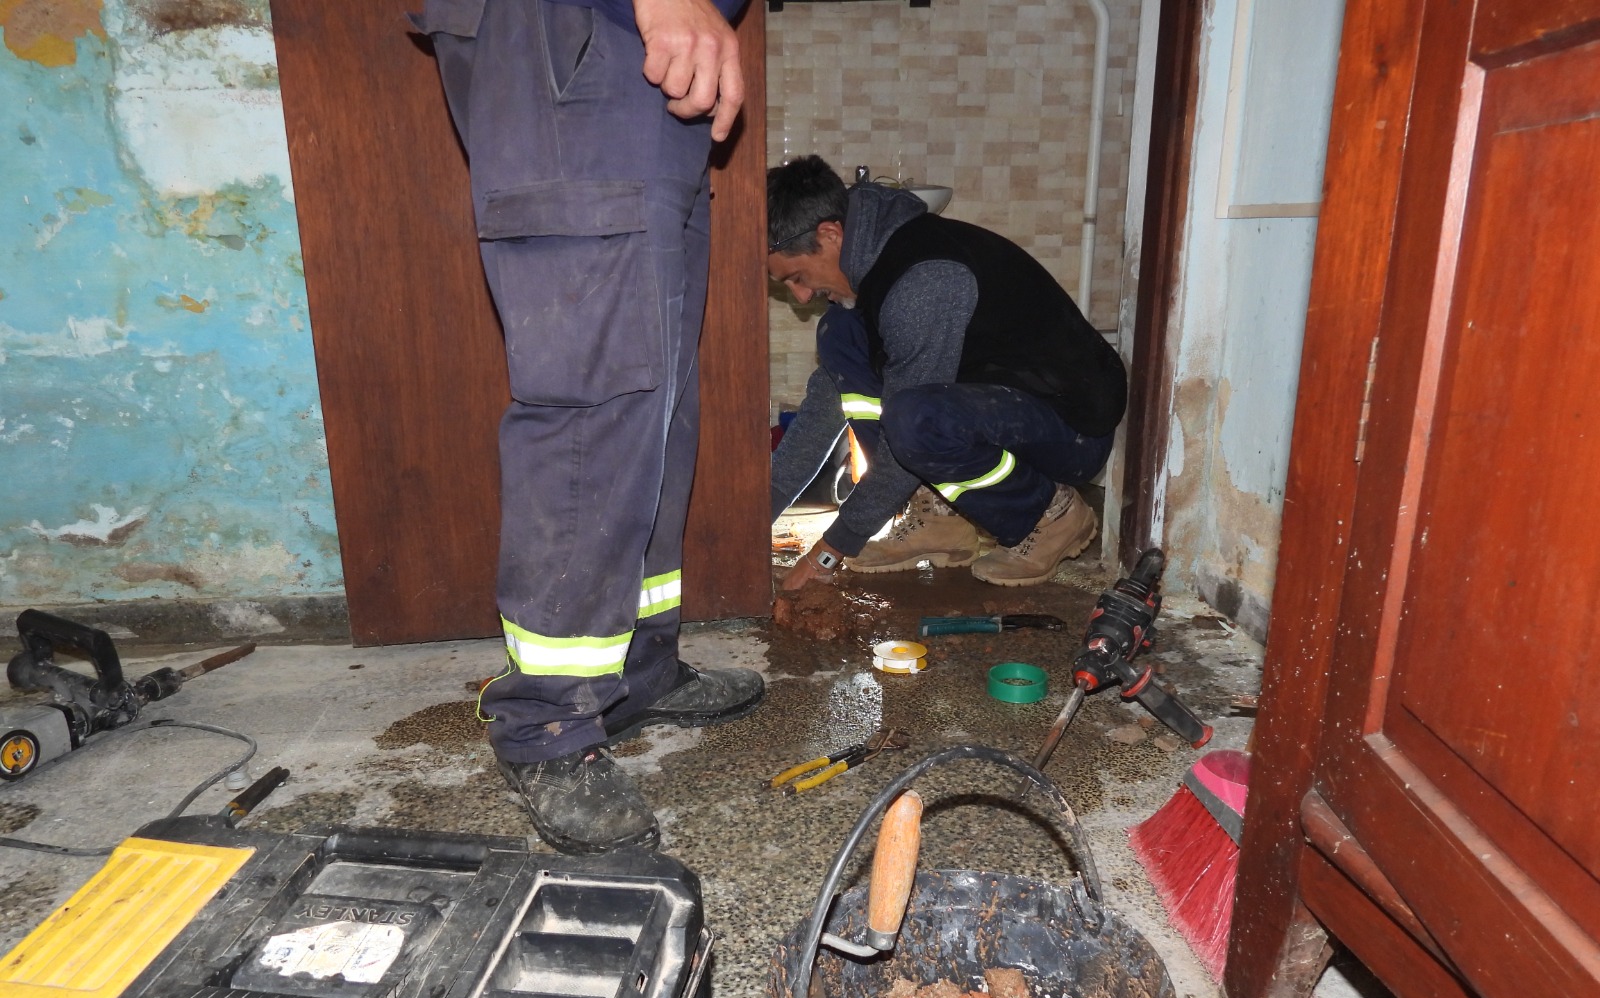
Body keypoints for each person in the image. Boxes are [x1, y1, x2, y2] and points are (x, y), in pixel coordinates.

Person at [412, 0, 763, 854]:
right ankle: (547, 719)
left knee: (658, 403)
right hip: (573, 32)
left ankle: (637, 671)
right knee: (596, 390)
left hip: (627, 59)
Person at [768, 156, 1127, 591]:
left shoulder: (922, 282)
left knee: (915, 422)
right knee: (840, 335)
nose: (801, 295)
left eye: (798, 276)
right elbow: (819, 418)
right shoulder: (866, 285)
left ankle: (1048, 513)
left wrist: (830, 550)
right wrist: (746, 524)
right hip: (994, 407)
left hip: (1070, 426)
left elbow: (906, 435)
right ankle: (939, 518)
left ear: (830, 235)